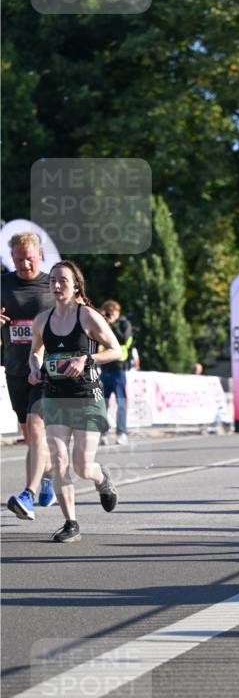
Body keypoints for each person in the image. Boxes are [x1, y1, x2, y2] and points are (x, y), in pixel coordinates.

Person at [29, 261, 122, 542]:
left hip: (86, 397)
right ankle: (71, 522)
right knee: (58, 459)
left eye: (63, 281)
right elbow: (36, 351)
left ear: (76, 285)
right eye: (53, 281)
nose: (57, 286)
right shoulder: (42, 320)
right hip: (55, 396)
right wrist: (35, 366)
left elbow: (116, 351)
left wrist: (86, 359)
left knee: (82, 466)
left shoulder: (89, 317)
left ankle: (101, 477)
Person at [2, 232, 56, 519]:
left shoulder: (53, 285)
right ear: (12, 258)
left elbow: (78, 318)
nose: (25, 265)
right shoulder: (2, 285)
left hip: (48, 371)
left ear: (40, 255)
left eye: (30, 258)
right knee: (31, 437)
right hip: (15, 370)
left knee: (36, 427)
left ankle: (28, 494)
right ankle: (47, 475)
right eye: (19, 259)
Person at [99, 299, 133, 446]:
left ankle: (122, 433)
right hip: (105, 368)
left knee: (121, 402)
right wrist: (103, 322)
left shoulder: (124, 324)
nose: (110, 314)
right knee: (102, 403)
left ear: (118, 313)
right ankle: (103, 434)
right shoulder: (102, 325)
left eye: (112, 312)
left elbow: (124, 339)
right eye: (107, 312)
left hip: (119, 369)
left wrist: (112, 324)